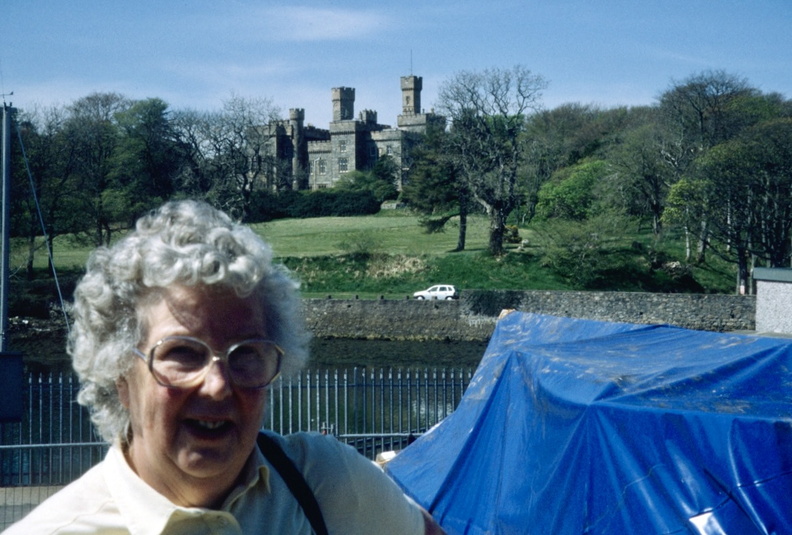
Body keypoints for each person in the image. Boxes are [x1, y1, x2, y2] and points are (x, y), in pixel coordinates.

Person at [6, 200, 445, 534]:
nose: (218, 386)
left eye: (246, 354)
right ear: (120, 371)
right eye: (183, 353)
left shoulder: (326, 482)